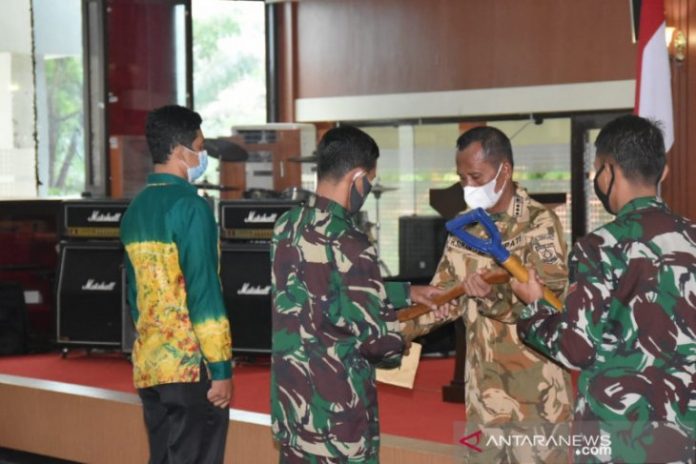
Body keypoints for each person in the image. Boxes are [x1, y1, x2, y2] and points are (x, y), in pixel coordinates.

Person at [511, 115, 696, 463]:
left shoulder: (599, 247)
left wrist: (535, 307)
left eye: (597, 170)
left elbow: (575, 349)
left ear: (608, 171)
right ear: (664, 172)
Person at [270, 125, 444, 463]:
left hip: (293, 408)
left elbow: (319, 287)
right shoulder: (351, 242)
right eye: (371, 181)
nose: (369, 188)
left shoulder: (286, 226)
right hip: (337, 421)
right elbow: (379, 343)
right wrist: (410, 331)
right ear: (358, 178)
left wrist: (406, 292)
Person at [401, 126, 573, 463]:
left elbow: (550, 300)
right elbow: (444, 299)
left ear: (504, 170)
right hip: (482, 397)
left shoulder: (540, 223)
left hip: (536, 398)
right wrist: (394, 330)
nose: (468, 186)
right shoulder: (464, 229)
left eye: (475, 176)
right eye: (462, 178)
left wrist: (490, 297)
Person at [120, 105, 232, 464]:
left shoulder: (135, 208)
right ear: (180, 151)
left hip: (150, 365)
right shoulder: (192, 208)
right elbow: (204, 294)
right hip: (189, 367)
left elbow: (134, 296)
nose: (203, 156)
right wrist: (220, 369)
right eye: (200, 146)